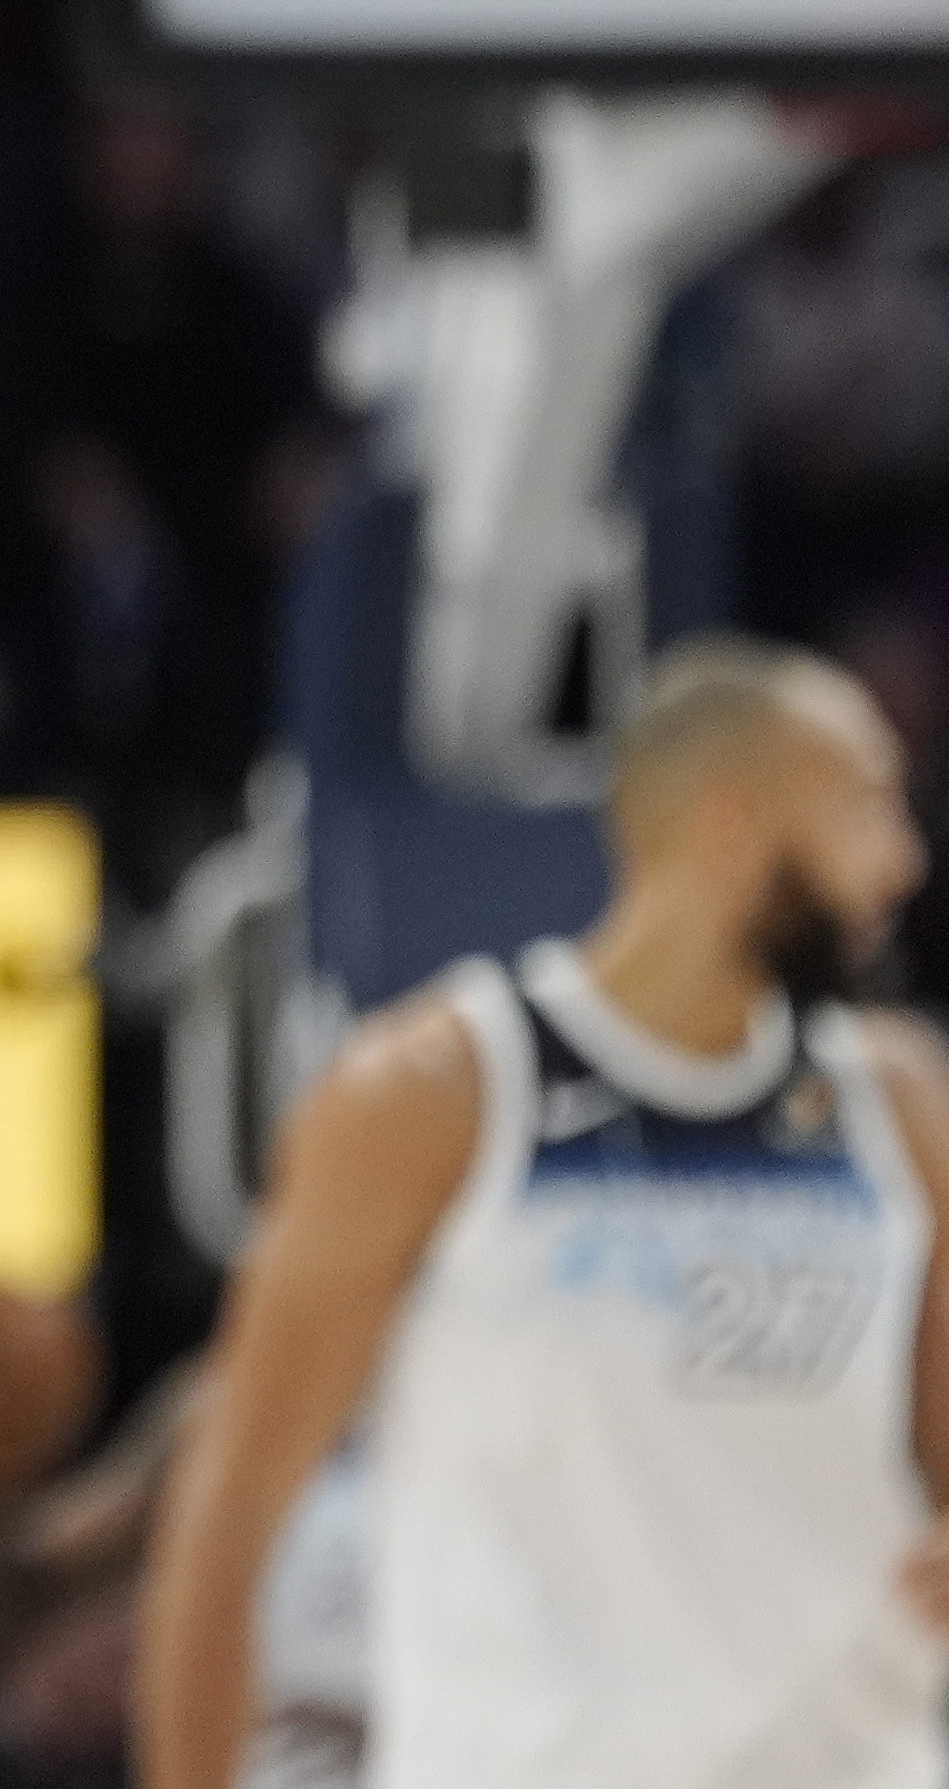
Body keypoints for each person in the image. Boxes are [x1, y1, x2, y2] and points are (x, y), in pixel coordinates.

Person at [137, 634, 949, 1789]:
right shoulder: (431, 1091)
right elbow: (230, 1507)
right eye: (865, 803)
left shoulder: (896, 1099)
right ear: (731, 820)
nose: (902, 859)